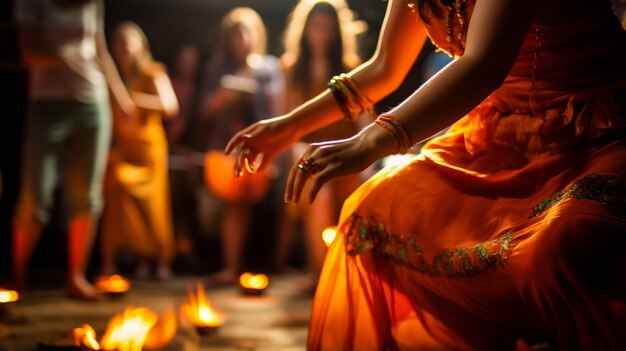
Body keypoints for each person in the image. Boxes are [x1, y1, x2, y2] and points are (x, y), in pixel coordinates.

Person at [226, 0, 626, 349]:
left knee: (558, 248)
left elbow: (483, 64)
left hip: (595, 127)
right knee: (370, 215)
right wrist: (289, 126)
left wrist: (369, 143)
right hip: (500, 135)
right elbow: (384, 67)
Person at [13, 0, 135, 299]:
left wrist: (120, 97)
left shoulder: (92, 2)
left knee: (87, 195)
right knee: (35, 198)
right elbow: (28, 53)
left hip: (91, 103)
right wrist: (66, 57)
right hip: (47, 103)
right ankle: (17, 277)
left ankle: (75, 277)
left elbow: (100, 49)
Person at [275, 0, 363, 290]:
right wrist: (294, 150)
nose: (321, 33)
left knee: (363, 192)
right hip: (309, 154)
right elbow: (286, 118)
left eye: (327, 27)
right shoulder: (291, 68)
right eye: (316, 26)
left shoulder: (350, 68)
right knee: (319, 188)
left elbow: (363, 116)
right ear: (305, 29)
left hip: (347, 150)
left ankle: (346, 274)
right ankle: (322, 275)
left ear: (337, 32)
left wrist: (367, 155)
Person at [200, 7, 284, 284]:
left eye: (245, 34)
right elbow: (203, 112)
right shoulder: (217, 67)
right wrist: (221, 99)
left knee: (262, 206)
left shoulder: (269, 68)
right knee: (233, 206)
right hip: (226, 151)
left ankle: (262, 267)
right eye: (234, 35)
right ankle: (232, 267)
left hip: (261, 150)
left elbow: (278, 110)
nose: (240, 41)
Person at [99, 21, 179, 280]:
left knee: (153, 206)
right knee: (116, 191)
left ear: (140, 46)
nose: (123, 48)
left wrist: (134, 101)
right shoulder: (113, 80)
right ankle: (112, 262)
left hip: (149, 149)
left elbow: (170, 107)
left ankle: (158, 262)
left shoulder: (153, 72)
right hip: (125, 148)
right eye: (118, 43)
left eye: (128, 42)